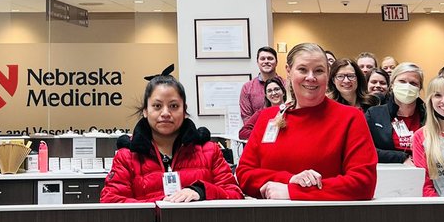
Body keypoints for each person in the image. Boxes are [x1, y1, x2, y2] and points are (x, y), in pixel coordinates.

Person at [236, 43, 377, 201]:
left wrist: (293, 192)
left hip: (330, 220)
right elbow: (244, 174)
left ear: (328, 74)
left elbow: (363, 183)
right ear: (288, 71)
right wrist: (289, 180)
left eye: (319, 70)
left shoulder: (350, 118)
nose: (311, 77)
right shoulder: (268, 118)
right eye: (302, 69)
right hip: (269, 220)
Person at [101, 76, 243, 203]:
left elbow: (234, 194)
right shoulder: (126, 157)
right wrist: (164, 204)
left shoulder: (209, 151)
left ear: (184, 109)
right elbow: (111, 201)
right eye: (157, 106)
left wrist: (200, 191)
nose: (165, 113)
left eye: (174, 106)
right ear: (145, 111)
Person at [365, 62, 426, 164]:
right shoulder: (374, 114)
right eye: (402, 81)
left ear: (419, 88)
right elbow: (366, 150)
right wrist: (402, 158)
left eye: (413, 83)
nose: (407, 87)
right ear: (392, 84)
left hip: (425, 174)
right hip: (387, 174)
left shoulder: (430, 115)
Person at [238, 47, 284, 140]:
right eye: (262, 59)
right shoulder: (247, 88)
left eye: (270, 58)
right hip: (260, 140)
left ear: (276, 62)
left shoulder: (287, 85)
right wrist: (268, 133)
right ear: (258, 62)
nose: (266, 61)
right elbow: (247, 120)